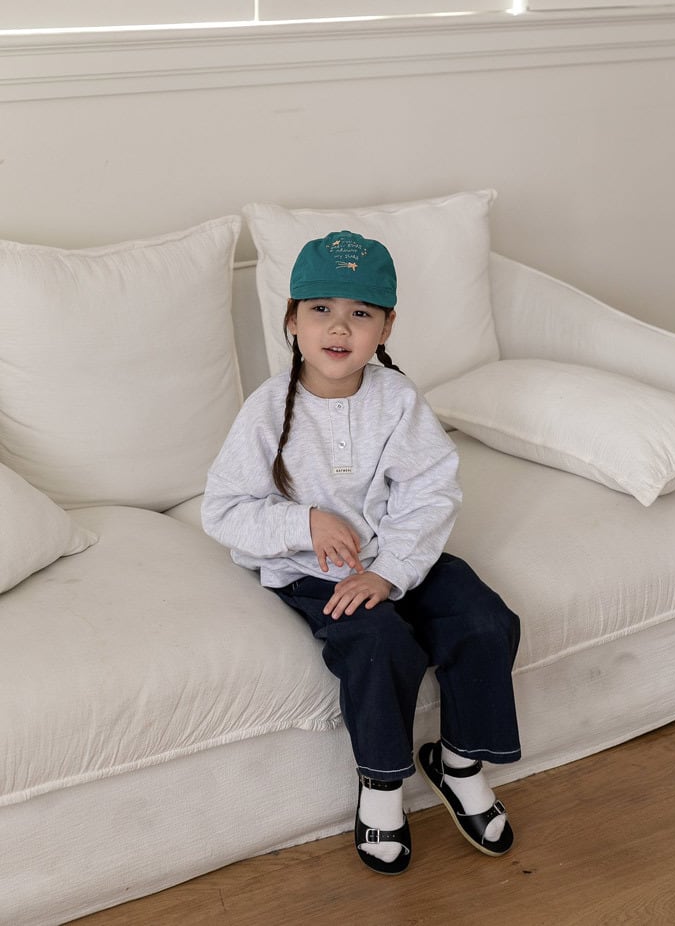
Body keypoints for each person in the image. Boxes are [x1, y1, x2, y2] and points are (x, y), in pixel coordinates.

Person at [202, 230, 521, 876]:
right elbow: (224, 510)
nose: (339, 327)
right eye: (321, 309)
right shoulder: (266, 410)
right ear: (293, 320)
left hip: (394, 552)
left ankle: (458, 763)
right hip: (312, 570)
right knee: (379, 643)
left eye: (361, 312)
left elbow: (431, 492)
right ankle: (380, 783)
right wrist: (306, 522)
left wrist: (391, 571)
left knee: (487, 620)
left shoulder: (397, 401)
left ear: (386, 327)